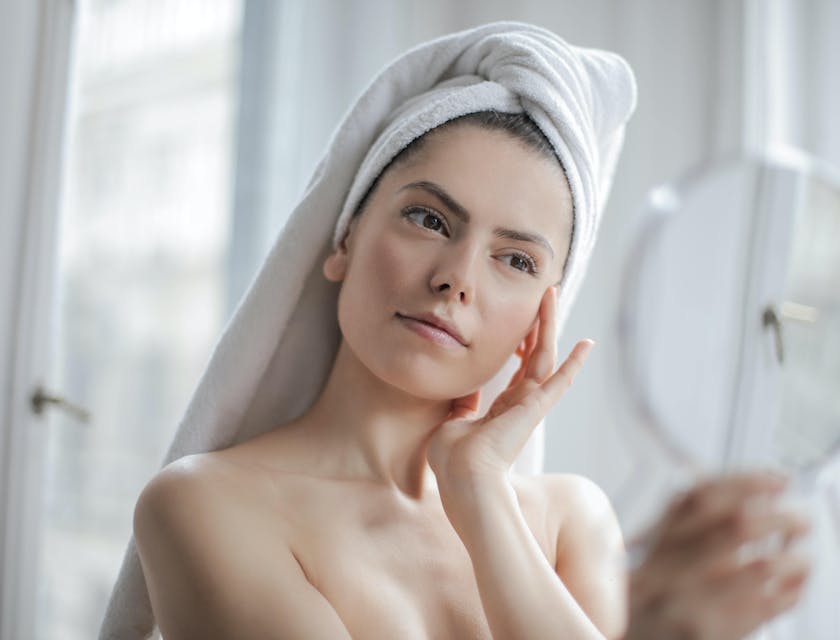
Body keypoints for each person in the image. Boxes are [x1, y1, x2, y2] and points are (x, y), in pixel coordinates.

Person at [101, 22, 811, 640]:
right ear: (343, 237)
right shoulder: (205, 505)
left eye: (515, 259)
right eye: (429, 219)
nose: (456, 279)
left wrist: (479, 491)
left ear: (544, 312)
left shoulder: (569, 522)